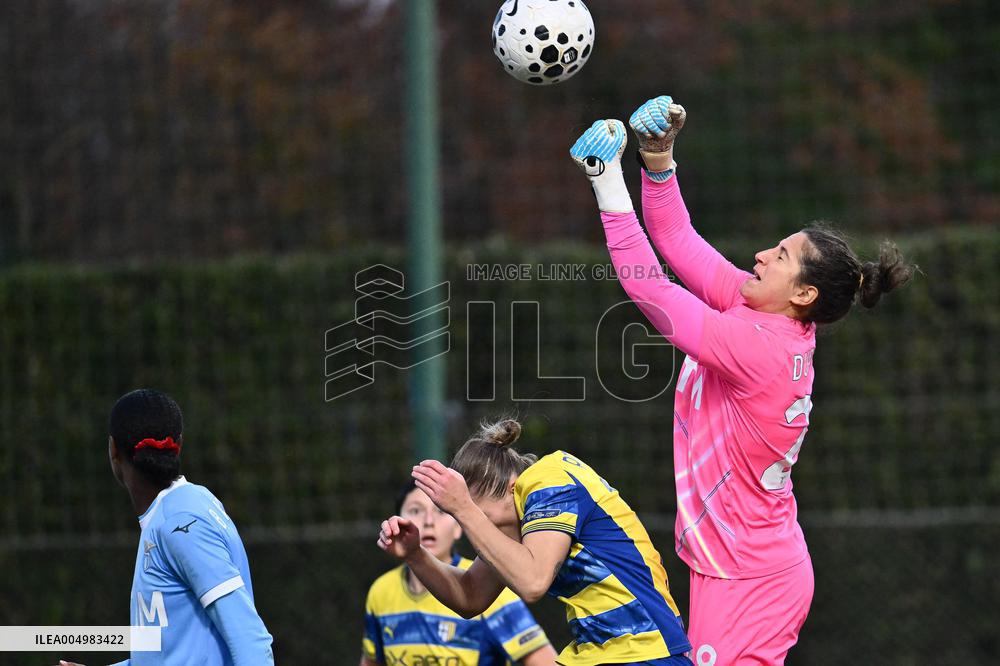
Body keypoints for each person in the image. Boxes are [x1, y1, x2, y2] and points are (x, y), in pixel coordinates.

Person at [568, 96, 915, 665]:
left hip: (751, 580)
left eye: (780, 256)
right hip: (740, 566)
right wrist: (658, 159)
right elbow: (678, 243)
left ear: (804, 293)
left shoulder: (760, 347)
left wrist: (607, 181)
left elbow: (651, 289)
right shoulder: (763, 314)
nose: (760, 255)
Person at [378, 419, 694, 666]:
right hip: (602, 654)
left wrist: (463, 509)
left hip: (646, 653)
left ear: (511, 487)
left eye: (481, 516)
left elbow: (532, 582)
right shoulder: (514, 520)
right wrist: (416, 555)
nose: (478, 531)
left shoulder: (548, 477)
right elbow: (471, 595)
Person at [60, 389, 273, 666]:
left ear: (113, 449)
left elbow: (250, 640)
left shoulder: (180, 522)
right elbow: (168, 655)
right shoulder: (176, 511)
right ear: (178, 445)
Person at [362, 479, 557, 666]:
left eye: (440, 511)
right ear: (395, 520)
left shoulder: (489, 587)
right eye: (416, 510)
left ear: (458, 527)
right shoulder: (381, 591)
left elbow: (545, 661)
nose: (429, 521)